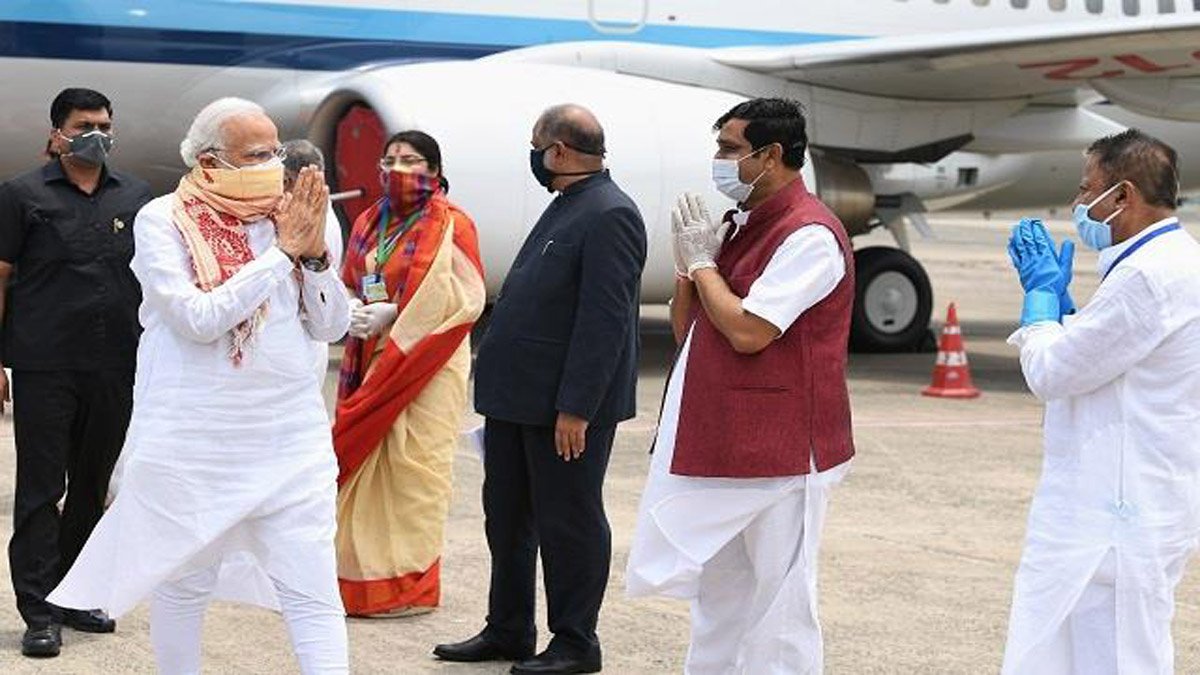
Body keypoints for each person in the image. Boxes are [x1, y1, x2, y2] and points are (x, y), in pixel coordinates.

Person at [45, 97, 351, 674]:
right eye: (256, 155)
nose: (274, 164)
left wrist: (313, 259)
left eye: (276, 151)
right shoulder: (163, 219)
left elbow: (331, 326)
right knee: (184, 586)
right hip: (193, 440)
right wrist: (283, 253)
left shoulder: (295, 214)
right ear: (211, 161)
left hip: (288, 439)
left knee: (313, 591)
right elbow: (199, 319)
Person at [625, 98, 855, 674]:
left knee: (781, 603)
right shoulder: (739, 225)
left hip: (783, 451)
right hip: (726, 442)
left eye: (730, 149)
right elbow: (690, 329)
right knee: (720, 596)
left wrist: (705, 267)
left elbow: (749, 331)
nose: (719, 160)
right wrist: (688, 268)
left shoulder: (810, 235)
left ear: (771, 155)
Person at [434, 104, 646, 674]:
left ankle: (576, 642)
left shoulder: (610, 212)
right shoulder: (568, 204)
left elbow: (605, 321)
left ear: (558, 151)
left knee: (568, 521)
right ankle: (508, 628)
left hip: (561, 408)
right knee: (507, 518)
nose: (533, 156)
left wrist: (577, 406)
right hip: (517, 402)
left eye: (536, 145)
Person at [1001, 129, 1200, 674]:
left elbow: (1052, 372)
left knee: (1113, 656)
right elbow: (1109, 357)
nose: (1079, 202)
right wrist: (1068, 313)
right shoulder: (1175, 260)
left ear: (1123, 196)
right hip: (1136, 500)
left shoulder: (1146, 277)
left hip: (1113, 516)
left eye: (1087, 189)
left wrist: (1040, 306)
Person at [0, 87, 152, 658]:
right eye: (85, 125)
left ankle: (75, 593)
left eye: (105, 126)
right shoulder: (21, 195)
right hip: (45, 363)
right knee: (42, 490)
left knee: (92, 485)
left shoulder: (135, 195)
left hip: (115, 362)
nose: (97, 135)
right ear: (57, 134)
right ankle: (38, 610)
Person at [332, 130, 486, 617]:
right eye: (390, 160)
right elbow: (350, 279)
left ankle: (408, 588)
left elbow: (465, 299)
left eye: (411, 160)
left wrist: (395, 314)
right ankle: (357, 581)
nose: (398, 169)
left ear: (434, 171)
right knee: (368, 467)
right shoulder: (367, 222)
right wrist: (352, 306)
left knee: (416, 470)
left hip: (428, 361)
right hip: (372, 356)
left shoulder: (453, 224)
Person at [282, 138, 346, 382]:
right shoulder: (322, 210)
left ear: (289, 179)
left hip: (302, 335)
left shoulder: (306, 220)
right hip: (312, 335)